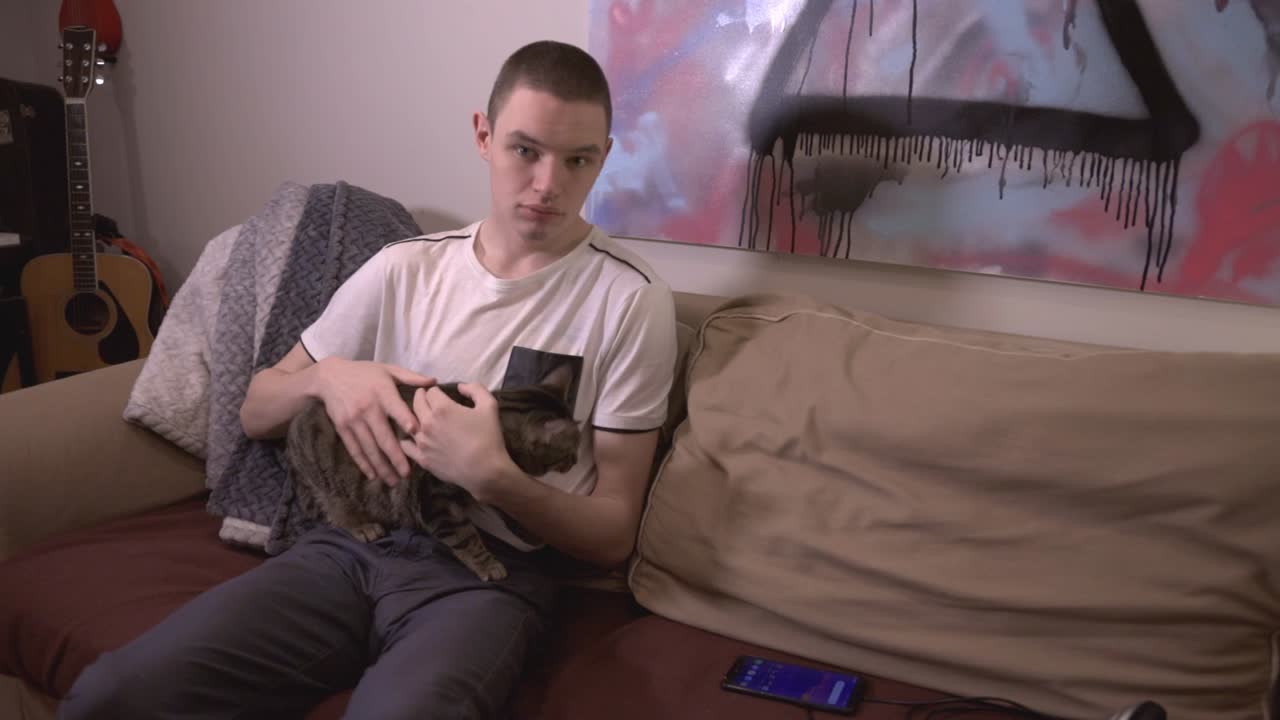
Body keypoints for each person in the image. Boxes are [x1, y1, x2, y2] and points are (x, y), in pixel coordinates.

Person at [60, 39, 678, 719]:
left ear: (605, 157)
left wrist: (493, 474)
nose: (548, 185)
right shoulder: (403, 267)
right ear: (483, 135)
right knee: (111, 694)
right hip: (349, 550)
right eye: (525, 150)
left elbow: (613, 533)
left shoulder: (630, 300)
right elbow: (256, 410)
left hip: (485, 580)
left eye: (578, 160)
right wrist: (330, 379)